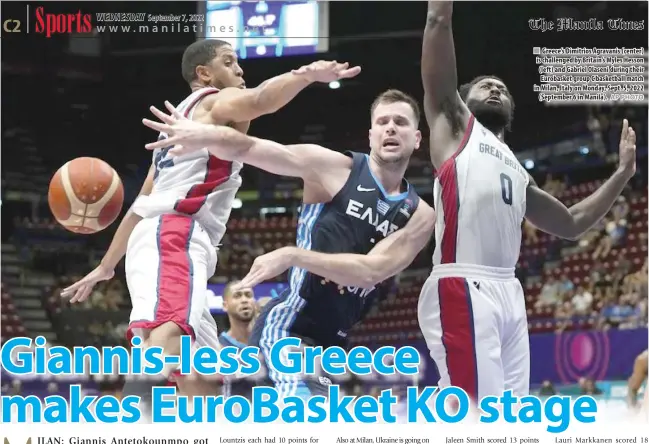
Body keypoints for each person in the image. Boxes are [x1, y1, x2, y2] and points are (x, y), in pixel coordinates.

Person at [60, 38, 360, 411]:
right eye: (229, 62)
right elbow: (261, 99)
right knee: (168, 339)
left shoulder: (174, 130)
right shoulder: (214, 101)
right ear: (204, 74)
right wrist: (304, 75)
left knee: (203, 372)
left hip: (156, 236)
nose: (240, 70)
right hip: (175, 233)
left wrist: (107, 266)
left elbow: (140, 204)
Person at [141, 88, 436, 399]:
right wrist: (203, 133)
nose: (390, 127)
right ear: (371, 134)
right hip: (287, 329)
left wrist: (293, 255)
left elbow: (371, 271)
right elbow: (252, 148)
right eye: (383, 122)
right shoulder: (332, 168)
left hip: (332, 346)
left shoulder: (420, 215)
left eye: (400, 122)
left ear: (417, 138)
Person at [416, 0, 637, 401]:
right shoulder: (454, 129)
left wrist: (621, 175)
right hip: (463, 280)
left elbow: (571, 223)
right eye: (485, 85)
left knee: (509, 413)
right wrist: (439, 10)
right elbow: (437, 22)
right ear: (462, 100)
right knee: (476, 413)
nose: (496, 88)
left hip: (509, 290)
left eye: (501, 87)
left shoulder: (518, 170)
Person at [218, 280, 256, 400]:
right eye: (237, 296)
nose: (244, 300)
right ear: (225, 305)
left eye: (248, 295)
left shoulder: (267, 343)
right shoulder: (217, 348)